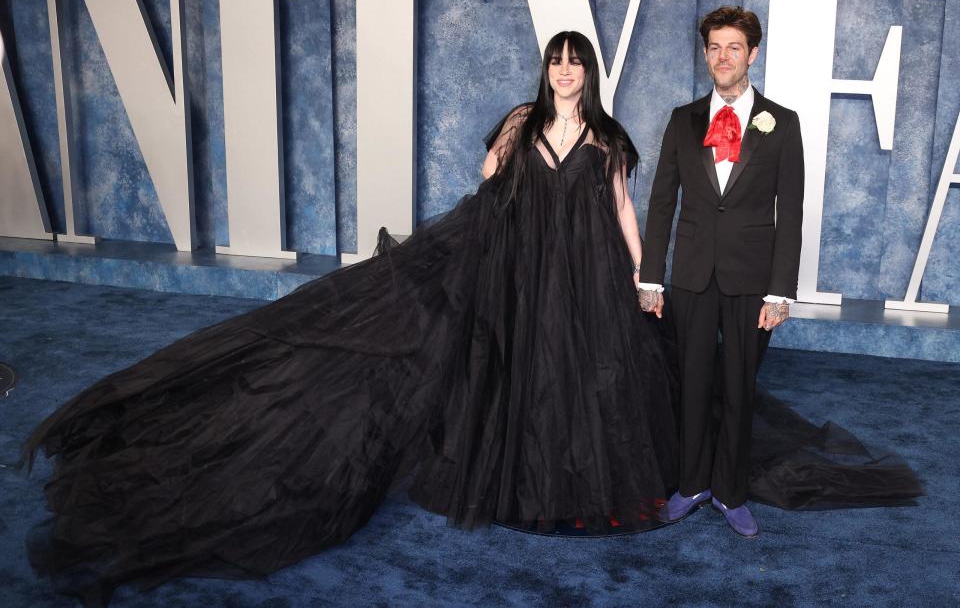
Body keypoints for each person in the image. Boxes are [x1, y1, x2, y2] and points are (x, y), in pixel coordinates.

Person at [22, 32, 681, 605]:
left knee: (576, 374)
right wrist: (511, 134)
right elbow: (487, 176)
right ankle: (523, 471)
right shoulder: (524, 119)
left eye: (575, 63)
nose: (565, 72)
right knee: (514, 369)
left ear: (589, 72)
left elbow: (622, 208)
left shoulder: (606, 136)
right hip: (521, 270)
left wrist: (640, 271)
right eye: (556, 63)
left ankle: (568, 476)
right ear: (547, 71)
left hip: (581, 276)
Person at [638, 6, 803, 537]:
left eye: (734, 47)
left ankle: (731, 492)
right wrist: (650, 278)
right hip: (688, 274)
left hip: (752, 280)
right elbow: (662, 203)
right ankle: (691, 484)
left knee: (738, 387)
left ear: (752, 54)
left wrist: (780, 291)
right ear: (705, 53)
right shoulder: (683, 119)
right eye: (714, 47)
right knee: (691, 384)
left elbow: (791, 212)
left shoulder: (782, 122)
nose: (723, 56)